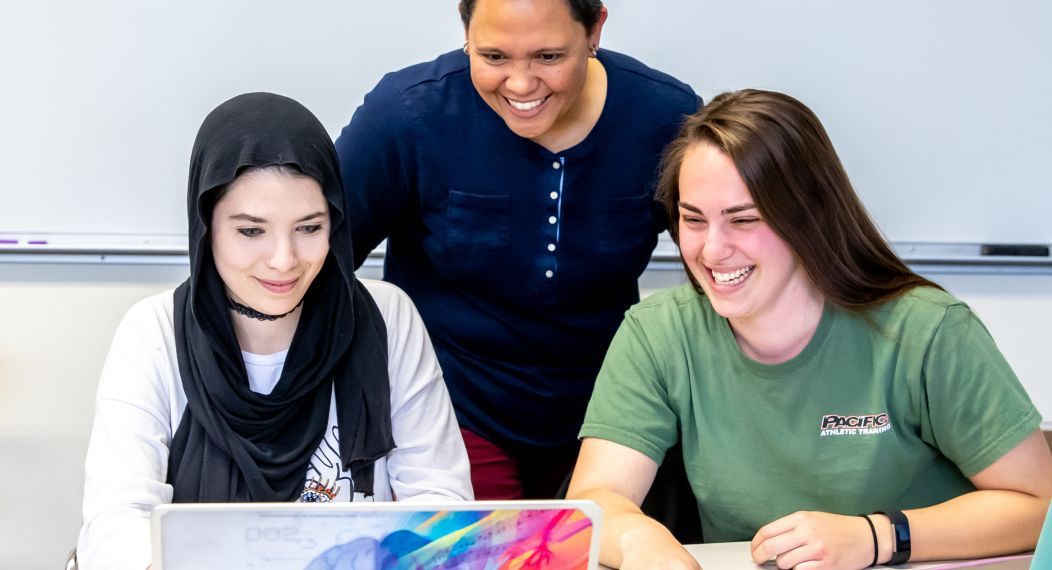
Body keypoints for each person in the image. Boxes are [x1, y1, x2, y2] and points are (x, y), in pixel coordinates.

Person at [567, 89, 1052, 569]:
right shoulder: (658, 333)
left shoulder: (929, 331)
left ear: (809, 216)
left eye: (744, 220)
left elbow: (1039, 503)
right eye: (694, 220)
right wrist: (644, 549)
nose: (712, 251)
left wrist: (877, 537)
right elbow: (597, 499)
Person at [76, 93, 472, 569]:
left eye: (309, 227)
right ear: (206, 227)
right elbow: (117, 521)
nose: (284, 260)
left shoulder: (387, 318)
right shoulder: (154, 332)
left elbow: (439, 503)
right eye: (250, 231)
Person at [334, 0, 699, 500]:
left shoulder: (665, 117)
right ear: (465, 34)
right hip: (451, 410)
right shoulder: (408, 114)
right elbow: (319, 260)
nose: (521, 85)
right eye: (493, 57)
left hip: (612, 415)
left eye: (549, 57)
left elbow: (720, 261)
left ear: (595, 30)